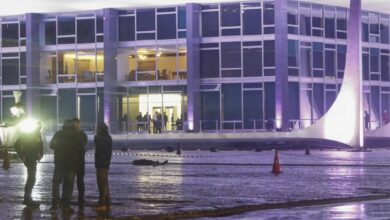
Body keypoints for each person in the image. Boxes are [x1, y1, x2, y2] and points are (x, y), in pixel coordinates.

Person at [50, 119, 84, 214]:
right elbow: (82, 149)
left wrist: (59, 147)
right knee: (68, 186)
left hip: (59, 164)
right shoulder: (77, 135)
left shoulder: (58, 134)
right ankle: (66, 206)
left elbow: (52, 145)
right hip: (71, 166)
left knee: (56, 183)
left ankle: (55, 202)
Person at [14, 122, 43, 207]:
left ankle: (27, 198)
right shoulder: (28, 134)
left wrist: (40, 154)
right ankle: (27, 199)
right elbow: (17, 144)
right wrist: (22, 155)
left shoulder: (37, 134)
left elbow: (39, 146)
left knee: (31, 178)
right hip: (29, 158)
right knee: (31, 178)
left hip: (32, 158)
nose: (39, 128)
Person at [94, 122, 112, 210]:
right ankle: (108, 201)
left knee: (101, 183)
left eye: (97, 128)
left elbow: (99, 150)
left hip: (100, 164)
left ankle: (102, 203)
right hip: (105, 163)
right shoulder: (108, 138)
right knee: (105, 182)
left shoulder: (99, 138)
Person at [72, 117, 88, 208]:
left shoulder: (82, 135)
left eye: (76, 124)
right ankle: (80, 198)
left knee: (80, 181)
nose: (75, 125)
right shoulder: (81, 135)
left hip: (79, 162)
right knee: (73, 181)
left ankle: (81, 198)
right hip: (75, 161)